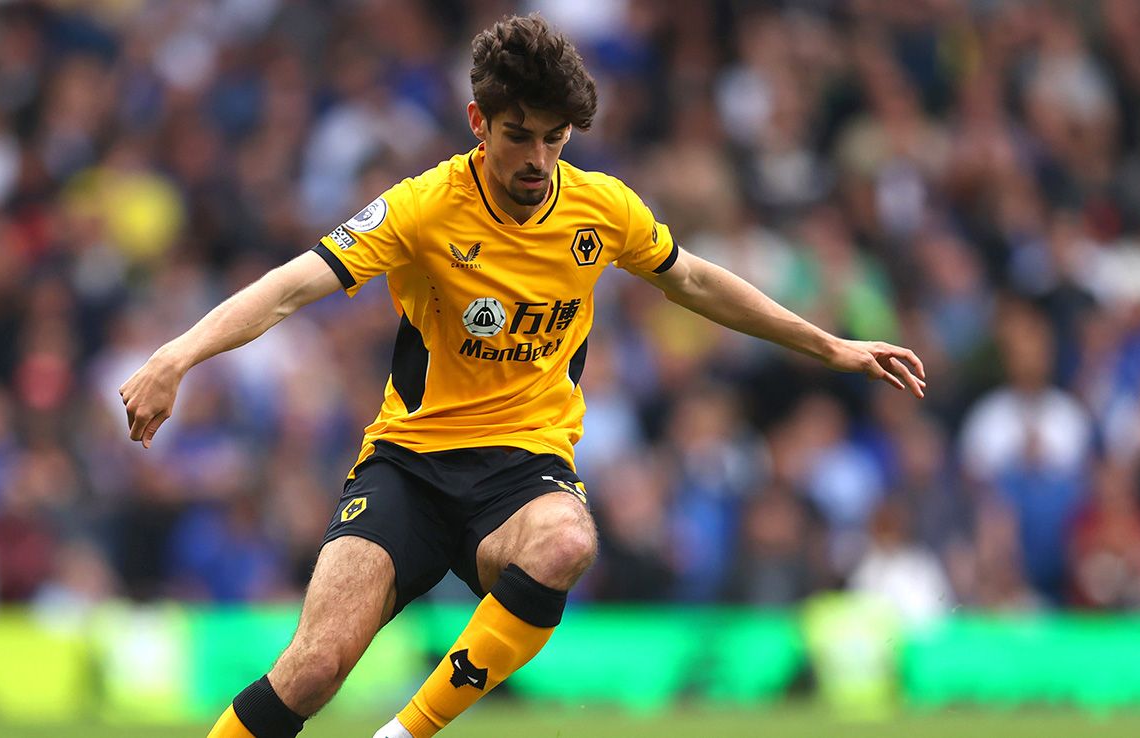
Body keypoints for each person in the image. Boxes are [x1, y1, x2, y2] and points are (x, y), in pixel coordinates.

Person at [118, 14, 926, 738]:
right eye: (519, 135)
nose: (538, 158)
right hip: (408, 465)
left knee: (569, 538)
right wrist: (175, 355)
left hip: (521, 470)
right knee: (315, 668)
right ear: (479, 122)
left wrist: (831, 346)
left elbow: (695, 280)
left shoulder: (601, 209)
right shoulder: (424, 207)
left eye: (555, 137)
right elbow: (292, 285)